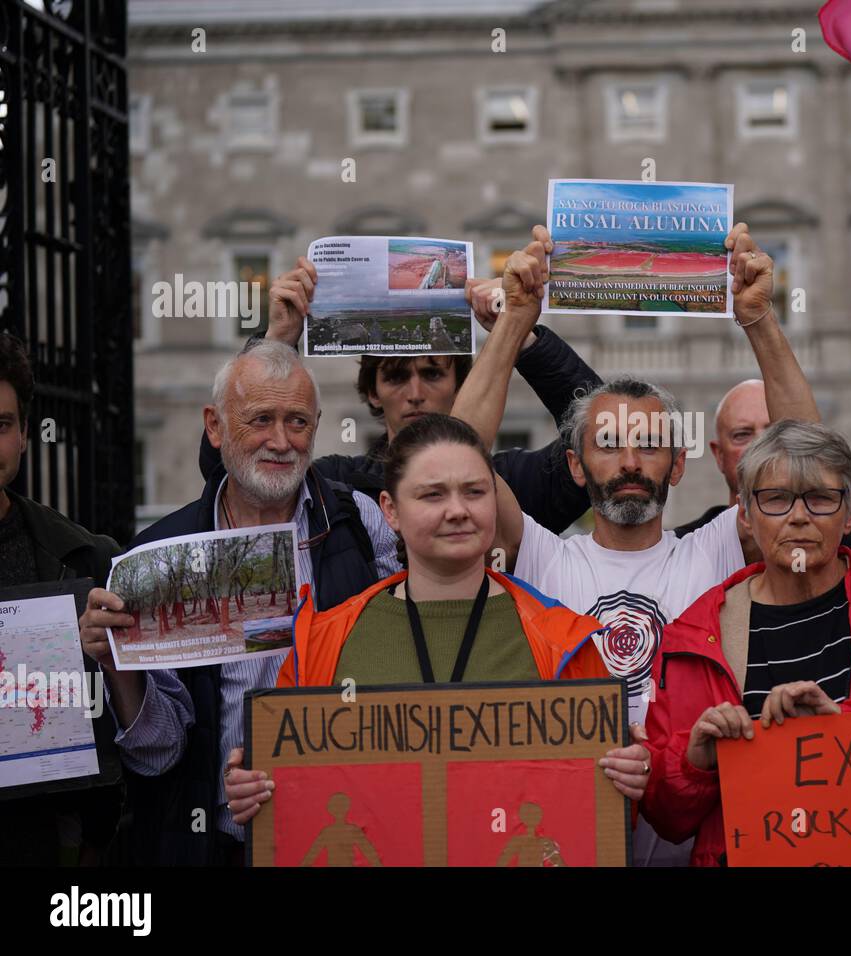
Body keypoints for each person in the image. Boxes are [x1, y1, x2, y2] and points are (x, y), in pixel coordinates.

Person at [451, 224, 819, 866]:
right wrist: (514, 324)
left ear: (678, 467)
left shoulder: (716, 550)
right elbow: (452, 460)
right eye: (609, 443)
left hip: (703, 836)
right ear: (572, 466)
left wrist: (758, 319)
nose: (629, 460)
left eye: (649, 445)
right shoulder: (540, 555)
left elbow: (803, 464)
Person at [222, 413, 650, 826]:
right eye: (433, 495)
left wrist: (629, 780)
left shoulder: (566, 640)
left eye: (475, 492)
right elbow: (289, 810)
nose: (458, 510)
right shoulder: (321, 642)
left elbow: (600, 822)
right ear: (389, 509)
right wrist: (255, 792)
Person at [78, 340, 400, 866]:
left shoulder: (361, 523)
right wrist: (118, 665)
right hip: (218, 845)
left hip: (348, 835)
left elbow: (401, 676)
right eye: (260, 419)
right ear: (215, 426)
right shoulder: (162, 556)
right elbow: (158, 754)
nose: (281, 441)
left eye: (298, 422)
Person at [641, 420, 851, 866]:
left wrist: (842, 729)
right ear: (745, 513)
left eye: (819, 498)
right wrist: (696, 761)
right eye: (776, 499)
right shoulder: (694, 633)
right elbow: (666, 818)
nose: (798, 516)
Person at [198, 227, 601, 535]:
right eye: (395, 377)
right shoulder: (337, 487)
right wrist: (279, 340)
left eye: (432, 373)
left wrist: (521, 335)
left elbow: (602, 442)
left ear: (460, 383)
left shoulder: (510, 482)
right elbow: (232, 471)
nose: (414, 394)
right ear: (372, 391)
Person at [0, 334, 122, 865]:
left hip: (47, 843)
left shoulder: (86, 560)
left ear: (25, 435)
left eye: (0, 426)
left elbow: (131, 726)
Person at [673, 378, 851, 556]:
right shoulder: (686, 551)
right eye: (742, 435)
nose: (760, 446)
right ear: (718, 455)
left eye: (773, 432)